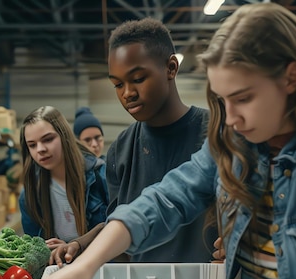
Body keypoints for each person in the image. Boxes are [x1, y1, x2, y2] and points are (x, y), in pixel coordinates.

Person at [21, 3, 296, 279]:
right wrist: (86, 265)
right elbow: (163, 200)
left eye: (243, 98)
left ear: (291, 77)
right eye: (222, 101)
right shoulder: (237, 148)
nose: (230, 119)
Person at [51, 17, 214, 265]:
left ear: (171, 68)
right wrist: (80, 245)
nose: (127, 93)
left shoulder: (215, 134)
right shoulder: (121, 150)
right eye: (117, 84)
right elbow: (121, 223)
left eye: (138, 79)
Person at [18, 106, 109, 249]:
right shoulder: (30, 195)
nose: (40, 149)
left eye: (48, 139)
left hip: (102, 267)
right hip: (59, 268)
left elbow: (119, 231)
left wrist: (75, 246)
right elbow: (35, 249)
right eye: (32, 145)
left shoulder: (101, 177)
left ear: (64, 136)